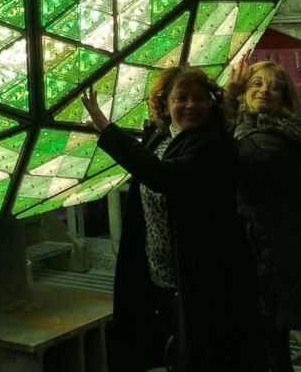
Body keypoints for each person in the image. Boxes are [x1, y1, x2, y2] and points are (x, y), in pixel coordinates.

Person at [81, 66, 261, 372]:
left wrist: (108, 131)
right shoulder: (159, 137)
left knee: (204, 355)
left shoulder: (216, 146)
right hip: (159, 275)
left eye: (199, 98)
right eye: (182, 98)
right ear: (166, 104)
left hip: (204, 279)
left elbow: (163, 176)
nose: (191, 105)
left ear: (210, 103)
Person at [227, 55, 301, 372]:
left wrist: (227, 100)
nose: (264, 91)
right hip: (265, 250)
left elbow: (236, 158)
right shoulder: (251, 130)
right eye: (256, 83)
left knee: (271, 340)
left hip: (269, 252)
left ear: (284, 99)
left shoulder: (270, 141)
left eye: (274, 87)